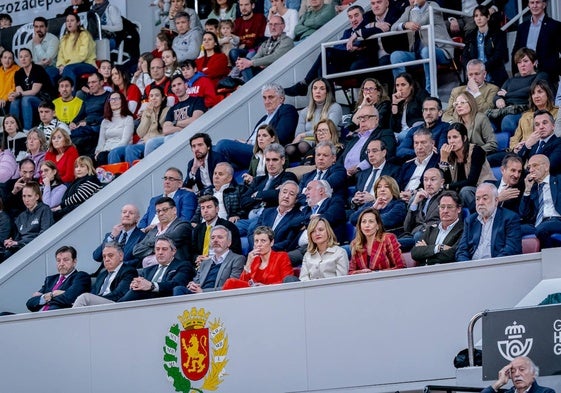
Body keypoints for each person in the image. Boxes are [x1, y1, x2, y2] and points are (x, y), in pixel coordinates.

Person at [215, 83, 298, 170]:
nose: (267, 101)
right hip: (251, 150)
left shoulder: (287, 110)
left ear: (281, 99)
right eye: (264, 98)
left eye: (271, 97)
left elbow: (282, 136)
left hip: (264, 152)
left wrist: (256, 143)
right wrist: (246, 142)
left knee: (223, 145)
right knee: (213, 150)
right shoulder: (264, 118)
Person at [390, 0, 453, 94]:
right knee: (396, 56)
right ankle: (402, 92)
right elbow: (393, 27)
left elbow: (418, 22)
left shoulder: (433, 6)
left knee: (427, 51)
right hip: (418, 53)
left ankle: (429, 92)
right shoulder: (408, 9)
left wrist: (415, 7)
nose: (411, 0)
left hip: (440, 50)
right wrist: (404, 24)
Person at [237, 143, 298, 236]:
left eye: (274, 160)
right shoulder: (258, 180)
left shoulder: (288, 177)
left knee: (253, 228)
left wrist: (258, 194)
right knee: (230, 228)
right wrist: (267, 195)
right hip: (250, 217)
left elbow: (278, 195)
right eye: (268, 160)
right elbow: (243, 201)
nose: (270, 164)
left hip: (269, 218)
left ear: (282, 160)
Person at [487, 48, 549, 135]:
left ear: (534, 62)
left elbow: (531, 90)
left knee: (508, 121)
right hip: (504, 110)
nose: (522, 65)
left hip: (525, 110)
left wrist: (507, 95)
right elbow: (498, 94)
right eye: (519, 62)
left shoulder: (541, 76)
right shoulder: (511, 80)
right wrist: (498, 99)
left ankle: (512, 147)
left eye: (525, 61)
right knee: (484, 121)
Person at [456, 183, 522, 261]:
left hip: (497, 267)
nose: (480, 202)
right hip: (472, 268)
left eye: (485, 198)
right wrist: (467, 267)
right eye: (477, 199)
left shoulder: (510, 218)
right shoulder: (470, 221)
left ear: (496, 200)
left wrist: (491, 266)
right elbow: (461, 251)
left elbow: (512, 249)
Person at [143, 74, 206, 156]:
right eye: (174, 86)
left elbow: (195, 120)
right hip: (176, 134)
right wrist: (180, 129)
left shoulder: (197, 101)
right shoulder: (172, 108)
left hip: (193, 134)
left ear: (186, 85)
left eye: (179, 84)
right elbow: (165, 129)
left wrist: (175, 123)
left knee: (169, 138)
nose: (177, 88)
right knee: (150, 143)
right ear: (172, 89)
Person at [174, 225, 245, 295]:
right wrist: (192, 285)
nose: (215, 240)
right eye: (212, 238)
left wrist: (203, 292)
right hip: (198, 296)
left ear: (229, 242)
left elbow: (232, 286)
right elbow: (196, 282)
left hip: (219, 297)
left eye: (220, 237)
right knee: (179, 289)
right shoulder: (205, 263)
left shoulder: (237, 259)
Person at [439, 123, 496, 210]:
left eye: (455, 137)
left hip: (481, 188)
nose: (451, 141)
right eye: (449, 138)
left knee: (465, 191)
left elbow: (472, 181)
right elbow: (446, 181)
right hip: (460, 190)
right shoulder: (449, 156)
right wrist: (443, 160)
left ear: (464, 138)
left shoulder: (476, 151)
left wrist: (447, 186)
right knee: (441, 194)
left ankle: (478, 216)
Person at [120, 236, 195, 302]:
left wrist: (152, 286)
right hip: (145, 306)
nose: (160, 252)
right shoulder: (147, 271)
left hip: (167, 304)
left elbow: (176, 284)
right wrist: (136, 284)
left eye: (164, 249)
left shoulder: (183, 265)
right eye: (157, 249)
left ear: (173, 251)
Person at [285, 78, 342, 163]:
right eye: (315, 88)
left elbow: (329, 129)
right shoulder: (305, 111)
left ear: (327, 92)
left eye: (322, 89)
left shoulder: (335, 107)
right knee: (289, 149)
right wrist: (301, 136)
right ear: (311, 91)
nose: (317, 91)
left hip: (326, 139)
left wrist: (303, 134)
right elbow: (298, 134)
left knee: (302, 146)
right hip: (307, 141)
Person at [223, 226, 294, 288]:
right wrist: (248, 264)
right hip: (254, 295)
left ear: (271, 242)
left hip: (273, 293)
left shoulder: (281, 256)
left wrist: (266, 287)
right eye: (256, 241)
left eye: (263, 241)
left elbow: (287, 282)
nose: (259, 244)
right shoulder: (254, 260)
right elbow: (242, 285)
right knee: (231, 282)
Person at [114, 86, 168, 165]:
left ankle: (134, 174)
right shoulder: (146, 112)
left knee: (130, 149)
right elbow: (140, 132)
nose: (154, 98)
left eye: (157, 95)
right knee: (115, 151)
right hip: (143, 142)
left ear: (163, 98)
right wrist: (148, 114)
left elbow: (161, 129)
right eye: (151, 96)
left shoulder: (167, 110)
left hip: (155, 142)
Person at [26, 245, 91, 312]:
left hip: (59, 317)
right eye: (58, 260)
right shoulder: (50, 280)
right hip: (39, 316)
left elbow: (70, 298)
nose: (61, 264)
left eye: (66, 260)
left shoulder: (81, 277)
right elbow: (30, 304)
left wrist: (43, 298)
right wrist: (52, 294)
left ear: (74, 262)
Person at [511, 0, 561, 85]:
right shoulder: (522, 27)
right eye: (532, 2)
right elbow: (516, 51)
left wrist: (553, 68)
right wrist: (516, 73)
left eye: (537, 2)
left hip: (546, 77)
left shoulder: (555, 26)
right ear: (528, 5)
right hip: (524, 76)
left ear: (544, 4)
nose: (534, 6)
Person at [133, 197, 193, 267]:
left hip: (173, 270)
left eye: (165, 210)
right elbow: (136, 250)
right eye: (158, 211)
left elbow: (168, 240)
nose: (161, 213)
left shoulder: (183, 226)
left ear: (174, 210)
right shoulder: (154, 229)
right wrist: (156, 248)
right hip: (148, 272)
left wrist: (149, 245)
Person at [74, 243, 139, 306]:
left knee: (85, 298)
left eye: (110, 255)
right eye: (104, 256)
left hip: (115, 305)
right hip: (98, 306)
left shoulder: (129, 271)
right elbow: (93, 294)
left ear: (121, 256)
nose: (106, 259)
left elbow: (119, 294)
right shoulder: (101, 275)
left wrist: (96, 299)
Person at [340, 104, 396, 177]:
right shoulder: (354, 139)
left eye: (366, 117)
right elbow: (340, 161)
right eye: (360, 118)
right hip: (344, 176)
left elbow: (386, 152)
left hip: (365, 174)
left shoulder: (384, 133)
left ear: (376, 120)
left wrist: (359, 167)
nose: (362, 120)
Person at [2, 182, 54, 259]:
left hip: (35, 250)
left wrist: (18, 243)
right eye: (24, 196)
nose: (26, 200)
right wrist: (10, 241)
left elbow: (44, 236)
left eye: (29, 196)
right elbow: (16, 237)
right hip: (19, 249)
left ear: (37, 196)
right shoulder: (21, 216)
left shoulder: (44, 210)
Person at [509, 80, 559, 159]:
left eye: (540, 92)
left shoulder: (558, 112)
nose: (536, 96)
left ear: (547, 94)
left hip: (546, 152)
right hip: (523, 154)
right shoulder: (525, 116)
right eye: (533, 93)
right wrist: (515, 147)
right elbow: (515, 138)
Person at [235, 15, 294, 82]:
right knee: (244, 63)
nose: (273, 27)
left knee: (247, 64)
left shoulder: (287, 41)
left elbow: (274, 57)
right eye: (270, 24)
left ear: (283, 26)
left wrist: (252, 63)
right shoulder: (266, 42)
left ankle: (247, 87)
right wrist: (248, 62)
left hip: (276, 74)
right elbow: (256, 57)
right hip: (263, 72)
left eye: (276, 24)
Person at [519, 154, 561, 249]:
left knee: (543, 229)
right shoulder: (533, 189)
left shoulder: (558, 180)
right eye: (529, 167)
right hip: (538, 224)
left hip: (557, 220)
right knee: (513, 229)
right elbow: (523, 214)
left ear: (546, 167)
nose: (531, 170)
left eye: (535, 165)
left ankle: (550, 259)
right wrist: (527, 190)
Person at [411, 190, 463, 265]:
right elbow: (415, 253)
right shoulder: (431, 229)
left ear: (458, 209)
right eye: (442, 207)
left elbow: (451, 255)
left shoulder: (463, 230)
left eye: (449, 207)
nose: (445, 211)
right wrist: (439, 248)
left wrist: (426, 253)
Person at [461, 5, 508, 87]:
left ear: (488, 17)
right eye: (476, 16)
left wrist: (482, 68)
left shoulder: (498, 34)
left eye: (482, 15)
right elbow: (465, 57)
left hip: (494, 77)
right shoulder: (470, 36)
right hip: (474, 78)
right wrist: (472, 69)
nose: (479, 18)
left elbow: (499, 55)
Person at [399, 167, 446, 250]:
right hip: (414, 236)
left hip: (433, 236)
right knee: (389, 242)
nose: (428, 183)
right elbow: (407, 227)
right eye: (425, 180)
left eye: (433, 180)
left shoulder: (446, 198)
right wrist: (414, 203)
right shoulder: (420, 198)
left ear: (442, 182)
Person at [9, 48, 54, 132]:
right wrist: (14, 95)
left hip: (43, 99)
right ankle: (13, 130)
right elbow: (19, 91)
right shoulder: (18, 73)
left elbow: (34, 91)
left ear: (31, 58)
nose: (23, 59)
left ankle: (27, 131)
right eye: (21, 57)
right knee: (15, 101)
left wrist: (18, 93)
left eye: (26, 56)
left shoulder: (38, 69)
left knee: (26, 99)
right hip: (28, 99)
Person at [349, 207, 405, 274]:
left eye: (371, 221)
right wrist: (360, 272)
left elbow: (400, 266)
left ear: (378, 226)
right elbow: (351, 272)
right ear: (360, 226)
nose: (367, 225)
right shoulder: (356, 244)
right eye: (363, 222)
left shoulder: (388, 239)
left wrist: (376, 273)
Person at [68, 72, 111, 157]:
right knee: (69, 134)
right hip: (86, 127)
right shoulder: (88, 98)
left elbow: (107, 115)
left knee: (75, 139)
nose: (90, 85)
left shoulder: (108, 96)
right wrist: (73, 122)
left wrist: (88, 122)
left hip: (98, 126)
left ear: (102, 82)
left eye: (93, 82)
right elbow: (80, 114)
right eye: (89, 83)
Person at [255, 180, 304, 251]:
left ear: (296, 200)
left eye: (291, 194)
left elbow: (288, 241)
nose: (286, 196)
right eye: (284, 192)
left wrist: (268, 249)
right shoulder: (267, 211)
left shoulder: (298, 217)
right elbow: (255, 231)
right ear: (279, 194)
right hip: (258, 251)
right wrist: (256, 246)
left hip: (277, 254)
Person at [351, 139, 400, 209]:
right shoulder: (362, 174)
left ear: (384, 153)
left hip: (380, 209)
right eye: (368, 152)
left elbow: (395, 196)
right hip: (359, 210)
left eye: (374, 151)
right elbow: (353, 195)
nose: (370, 155)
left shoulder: (394, 171)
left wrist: (374, 199)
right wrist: (354, 199)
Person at [52, 156, 102, 221]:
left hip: (83, 214)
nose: (78, 169)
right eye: (76, 167)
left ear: (89, 167)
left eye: (82, 166)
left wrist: (61, 206)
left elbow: (80, 196)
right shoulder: (78, 180)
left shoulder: (92, 179)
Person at [56, 13, 97, 91]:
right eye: (67, 21)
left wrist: (66, 66)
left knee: (68, 69)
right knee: (52, 72)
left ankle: (70, 97)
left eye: (72, 20)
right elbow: (60, 55)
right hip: (68, 66)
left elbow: (83, 55)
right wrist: (61, 65)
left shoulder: (84, 34)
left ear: (78, 23)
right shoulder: (64, 38)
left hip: (87, 64)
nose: (69, 23)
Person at [299, 216, 348, 281]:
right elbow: (303, 279)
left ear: (328, 231)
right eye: (313, 231)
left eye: (321, 230)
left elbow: (341, 280)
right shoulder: (307, 255)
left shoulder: (340, 252)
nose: (317, 234)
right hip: (311, 290)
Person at [397, 128, 440, 199]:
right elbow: (397, 186)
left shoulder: (437, 162)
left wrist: (413, 194)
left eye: (423, 142)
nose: (419, 147)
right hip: (402, 201)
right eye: (416, 143)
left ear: (432, 143)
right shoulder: (407, 165)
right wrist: (400, 195)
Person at [514, 110, 561, 174]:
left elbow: (550, 166)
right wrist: (526, 146)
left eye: (545, 123)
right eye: (537, 125)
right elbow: (517, 166)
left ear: (553, 126)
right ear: (534, 129)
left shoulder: (558, 142)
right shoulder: (532, 144)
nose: (541, 127)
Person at [94, 91, 134, 166]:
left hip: (120, 149)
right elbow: (101, 141)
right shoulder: (105, 121)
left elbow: (125, 141)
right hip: (105, 151)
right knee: (91, 158)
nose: (113, 101)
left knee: (105, 156)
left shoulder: (128, 118)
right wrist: (97, 152)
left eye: (116, 99)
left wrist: (110, 151)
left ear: (122, 101)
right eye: (111, 99)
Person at [390, 73, 429, 143]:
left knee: (400, 137)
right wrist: (395, 103)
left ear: (411, 86)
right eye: (397, 85)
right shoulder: (398, 101)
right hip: (400, 133)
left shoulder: (420, 94)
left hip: (416, 131)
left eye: (403, 85)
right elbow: (393, 127)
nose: (400, 89)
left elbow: (426, 114)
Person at [481, 356, 555, 393]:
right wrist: (499, 383)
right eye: (512, 371)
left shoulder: (546, 392)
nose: (516, 374)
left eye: (522, 369)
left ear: (533, 373)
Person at [229, 0, 267, 66]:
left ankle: (238, 69)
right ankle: (240, 67)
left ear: (253, 6)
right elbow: (232, 39)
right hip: (241, 51)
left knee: (249, 56)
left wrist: (246, 45)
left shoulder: (260, 18)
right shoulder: (236, 22)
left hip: (255, 50)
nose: (243, 8)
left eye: (246, 5)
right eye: (241, 5)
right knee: (233, 52)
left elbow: (261, 38)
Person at [27, 17, 60, 85]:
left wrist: (37, 44)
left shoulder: (53, 39)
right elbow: (27, 63)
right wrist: (39, 64)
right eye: (36, 27)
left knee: (47, 73)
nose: (38, 29)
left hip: (51, 68)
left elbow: (46, 60)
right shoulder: (30, 43)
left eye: (41, 26)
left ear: (46, 28)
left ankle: (49, 95)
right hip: (35, 70)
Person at [0, 50, 19, 115]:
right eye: (5, 57)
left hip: (9, 99)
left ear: (13, 61)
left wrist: (4, 99)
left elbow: (14, 88)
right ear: (1, 59)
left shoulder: (17, 70)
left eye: (10, 58)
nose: (7, 60)